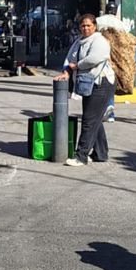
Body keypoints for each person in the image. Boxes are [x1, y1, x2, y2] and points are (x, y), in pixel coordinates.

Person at [54, 14, 116, 167]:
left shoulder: (99, 40)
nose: (86, 28)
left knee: (89, 120)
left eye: (88, 25)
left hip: (102, 83)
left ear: (94, 26)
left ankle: (81, 156)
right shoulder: (79, 41)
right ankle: (100, 154)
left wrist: (77, 66)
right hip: (89, 83)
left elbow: (95, 58)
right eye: (83, 26)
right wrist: (67, 71)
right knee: (94, 119)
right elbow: (70, 59)